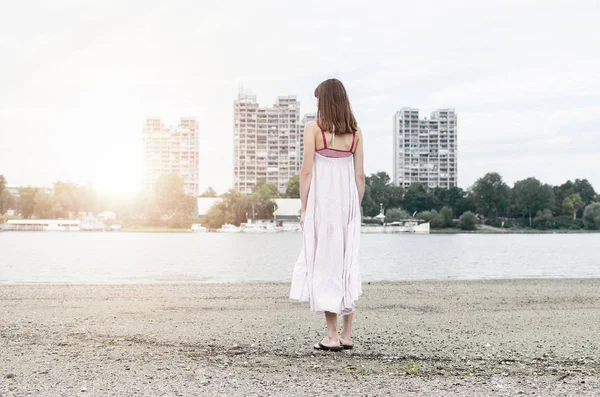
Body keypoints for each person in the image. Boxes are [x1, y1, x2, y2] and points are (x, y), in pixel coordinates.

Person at [289, 78, 365, 351]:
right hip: (347, 207)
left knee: (325, 264)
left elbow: (306, 171)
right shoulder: (356, 133)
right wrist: (354, 209)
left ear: (324, 101)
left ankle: (331, 337)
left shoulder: (313, 129)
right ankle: (347, 336)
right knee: (345, 264)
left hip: (323, 206)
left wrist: (304, 207)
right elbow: (359, 175)